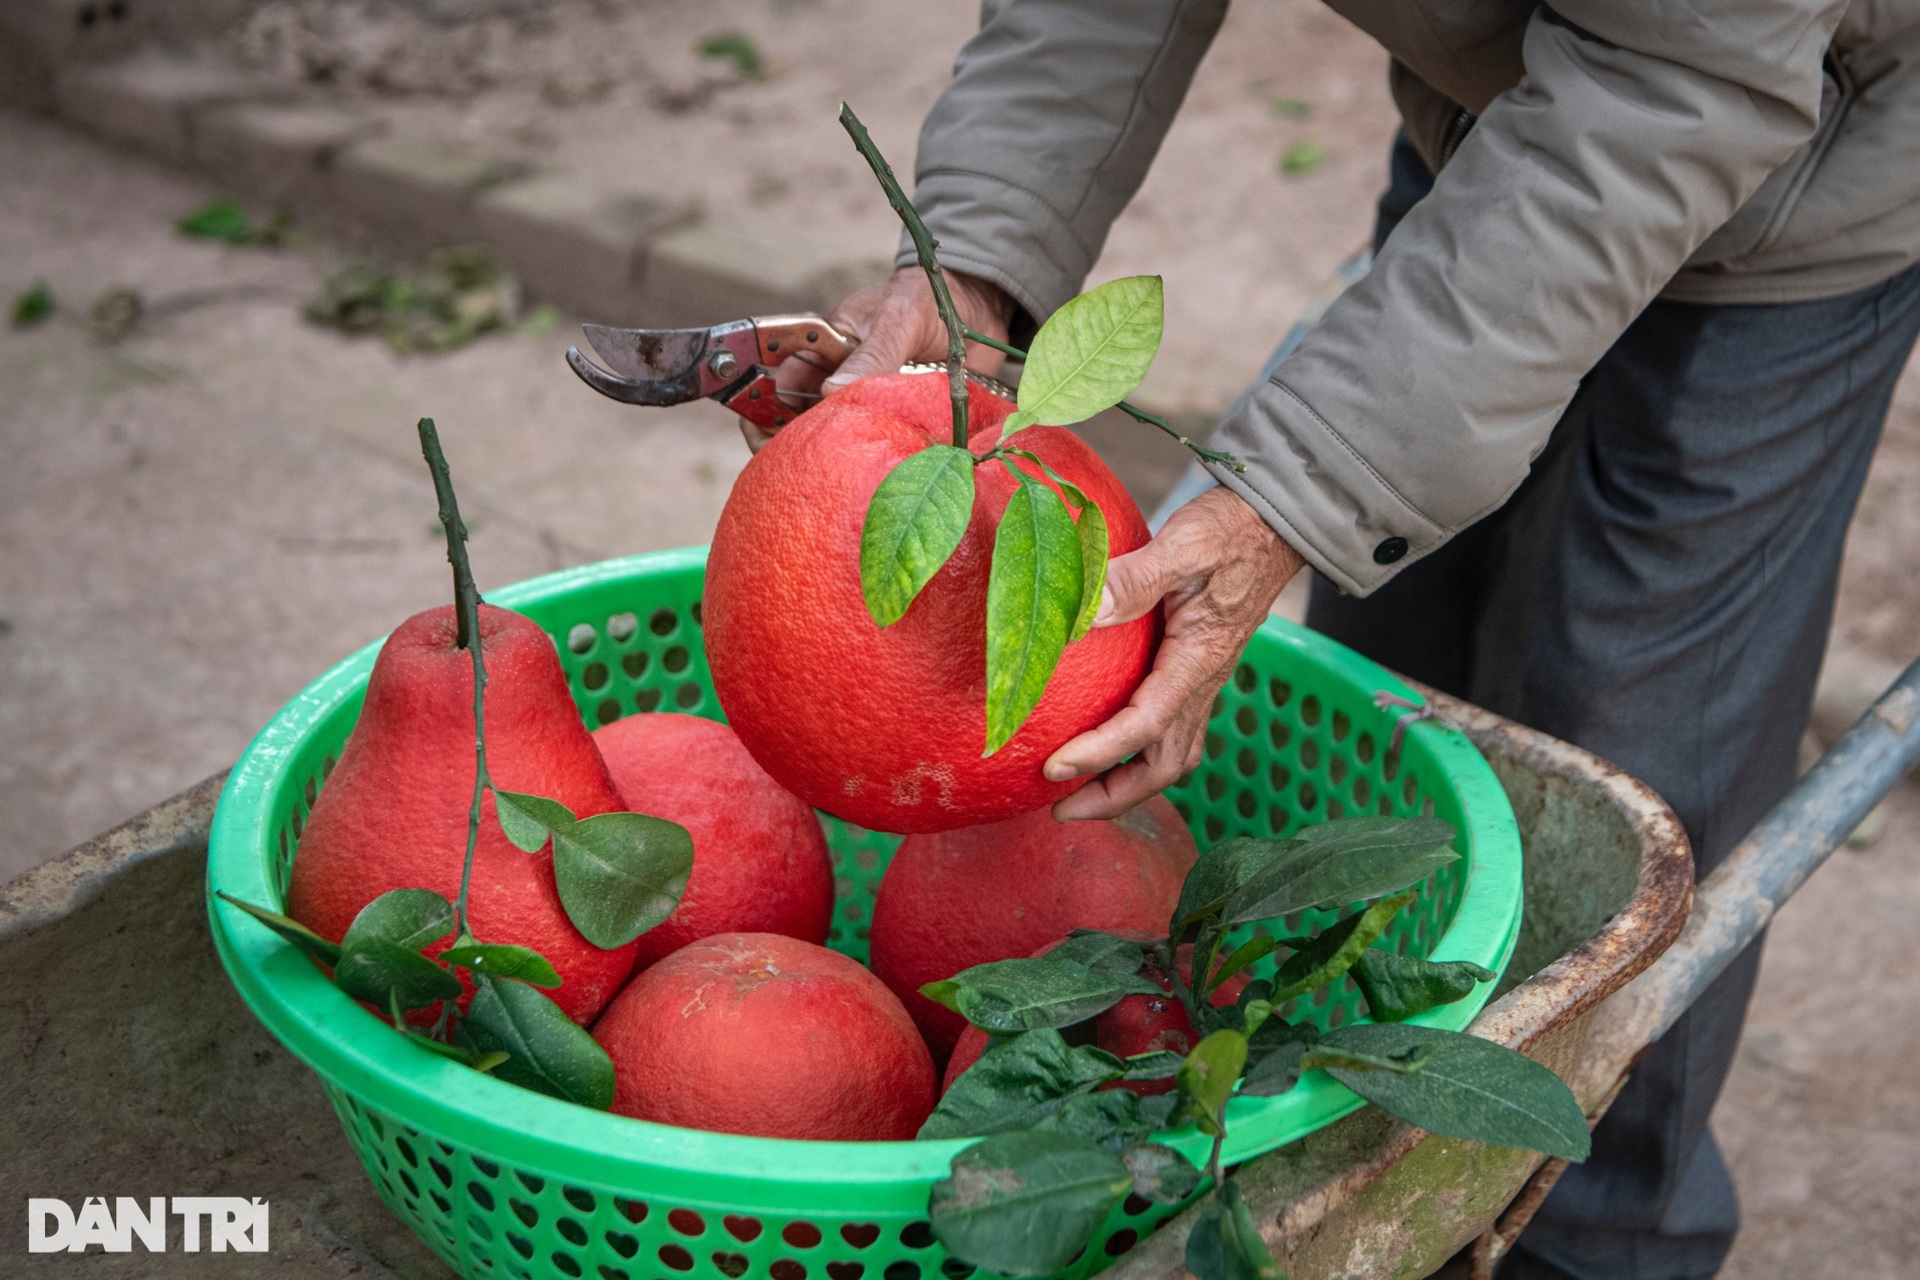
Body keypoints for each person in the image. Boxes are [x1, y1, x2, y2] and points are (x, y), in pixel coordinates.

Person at [766, 2, 1920, 1276]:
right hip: (1491, 125)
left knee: (1630, 802)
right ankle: (1396, 1202)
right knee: (1400, 703)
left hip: (1796, 169)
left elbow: (1674, 82)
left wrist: (1295, 487)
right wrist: (981, 259)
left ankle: (1599, 1241)